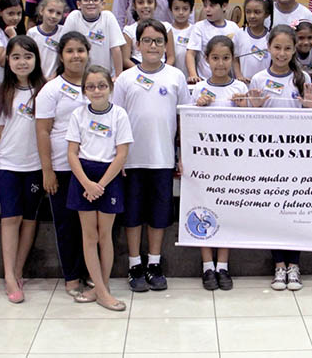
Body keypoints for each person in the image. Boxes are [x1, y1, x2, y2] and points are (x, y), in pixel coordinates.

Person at [112, 20, 191, 292]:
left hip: (163, 159)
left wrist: (182, 153)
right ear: (137, 45)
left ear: (165, 45)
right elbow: (116, 120)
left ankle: (154, 264)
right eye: (147, 40)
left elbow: (184, 120)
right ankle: (134, 263)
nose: (153, 45)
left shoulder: (176, 77)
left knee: (159, 215)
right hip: (131, 161)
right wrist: (117, 159)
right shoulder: (125, 79)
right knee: (133, 216)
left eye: (158, 40)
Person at [247, 25, 312, 290]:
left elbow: (311, 128)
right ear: (269, 48)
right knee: (275, 213)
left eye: (288, 48)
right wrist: (254, 109)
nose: (282, 53)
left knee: (295, 212)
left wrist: (310, 110)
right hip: (268, 157)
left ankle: (295, 265)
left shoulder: (303, 79)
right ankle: (279, 266)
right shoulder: (258, 79)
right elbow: (250, 128)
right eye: (277, 47)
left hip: (296, 157)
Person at [0, 36, 47, 303]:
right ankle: (8, 274)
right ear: (8, 61)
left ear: (36, 60)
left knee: (29, 219)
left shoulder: (44, 91)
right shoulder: (4, 91)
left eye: (28, 57)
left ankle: (19, 269)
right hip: (8, 165)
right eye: (16, 57)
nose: (22, 62)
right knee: (10, 219)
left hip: (35, 166)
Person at [66, 65, 133, 312]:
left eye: (102, 86)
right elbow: (72, 153)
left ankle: (101, 288)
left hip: (108, 177)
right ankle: (102, 292)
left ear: (110, 88)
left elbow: (121, 154)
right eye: (91, 87)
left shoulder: (120, 115)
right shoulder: (78, 115)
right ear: (84, 91)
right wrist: (87, 184)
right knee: (89, 236)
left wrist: (100, 185)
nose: (96, 91)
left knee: (105, 236)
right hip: (84, 177)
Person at [191, 36, 248, 290]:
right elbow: (189, 127)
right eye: (215, 58)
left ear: (232, 59)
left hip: (232, 164)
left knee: (228, 210)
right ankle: (207, 266)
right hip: (203, 164)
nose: (221, 63)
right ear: (206, 60)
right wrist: (198, 107)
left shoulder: (240, 90)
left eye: (226, 58)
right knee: (203, 210)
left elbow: (250, 131)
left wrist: (246, 108)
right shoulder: (198, 90)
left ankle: (223, 265)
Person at [36, 32, 90, 298]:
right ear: (61, 56)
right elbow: (43, 131)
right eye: (70, 51)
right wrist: (48, 171)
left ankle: (90, 272)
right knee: (67, 226)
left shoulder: (96, 84)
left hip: (93, 169)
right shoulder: (51, 89)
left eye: (81, 50)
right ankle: (71, 276)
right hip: (62, 168)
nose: (76, 55)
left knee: (91, 227)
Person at [63, 0, 125, 76]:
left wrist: (118, 76)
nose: (91, 3)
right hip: (79, 76)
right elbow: (64, 48)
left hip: (106, 75)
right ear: (79, 4)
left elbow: (116, 49)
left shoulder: (108, 17)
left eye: (95, 0)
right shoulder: (74, 17)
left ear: (103, 4)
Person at [186, 0, 241, 83]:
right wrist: (193, 75)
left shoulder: (234, 27)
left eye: (212, 5)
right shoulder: (199, 27)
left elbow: (236, 57)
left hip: (228, 81)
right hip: (205, 81)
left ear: (224, 6)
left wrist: (239, 76)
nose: (207, 9)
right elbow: (190, 54)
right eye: (205, 5)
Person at [121, 0, 175, 68]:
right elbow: (125, 60)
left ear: (155, 5)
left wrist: (163, 72)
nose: (145, 6)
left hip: (162, 68)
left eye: (149, 2)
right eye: (140, 2)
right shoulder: (128, 30)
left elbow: (171, 57)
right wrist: (141, 72)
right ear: (134, 6)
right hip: (137, 70)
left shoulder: (166, 27)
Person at [232, 0, 272, 82]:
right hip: (244, 85)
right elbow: (235, 59)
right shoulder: (240, 34)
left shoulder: (271, 36)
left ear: (267, 14)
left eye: (257, 12)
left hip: (264, 85)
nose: (252, 16)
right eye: (248, 12)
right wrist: (239, 76)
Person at [27, 0, 67, 79]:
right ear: (41, 11)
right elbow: (28, 57)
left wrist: (54, 76)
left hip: (56, 78)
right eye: (50, 11)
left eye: (58, 13)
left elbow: (64, 59)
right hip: (35, 78)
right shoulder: (32, 33)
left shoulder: (63, 32)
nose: (53, 16)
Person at [167, 0, 196, 76]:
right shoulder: (167, 30)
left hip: (191, 78)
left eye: (185, 9)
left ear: (191, 10)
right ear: (170, 9)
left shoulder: (195, 30)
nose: (180, 12)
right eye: (176, 8)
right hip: (171, 76)